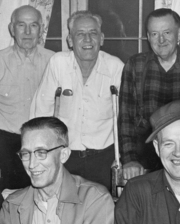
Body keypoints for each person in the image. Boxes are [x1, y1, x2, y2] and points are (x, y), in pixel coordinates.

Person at [30, 11, 123, 191]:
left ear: (101, 38)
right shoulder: (58, 63)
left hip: (104, 157)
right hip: (66, 155)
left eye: (93, 33)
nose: (87, 40)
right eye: (80, 34)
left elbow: (124, 118)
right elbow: (41, 112)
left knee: (100, 210)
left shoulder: (115, 67)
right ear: (70, 41)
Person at [119, 8, 180, 181]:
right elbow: (125, 118)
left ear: (179, 33)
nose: (161, 40)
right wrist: (129, 160)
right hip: (145, 158)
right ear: (148, 36)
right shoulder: (135, 66)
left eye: (167, 32)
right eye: (154, 34)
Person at [0, 5, 53, 190]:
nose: (27, 32)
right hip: (6, 146)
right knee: (6, 206)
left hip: (44, 143)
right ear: (12, 29)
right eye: (21, 25)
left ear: (41, 29)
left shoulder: (54, 61)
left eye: (33, 25)